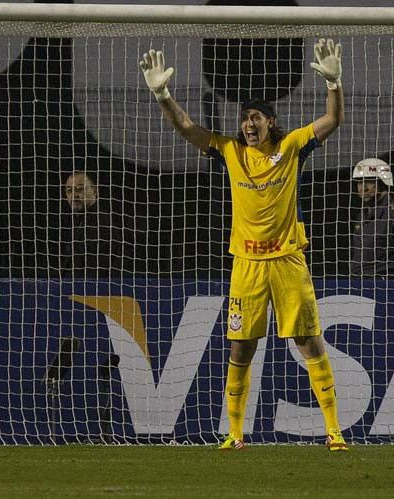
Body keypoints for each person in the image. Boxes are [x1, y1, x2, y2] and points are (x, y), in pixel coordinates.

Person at [139, 39, 348, 451]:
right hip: (247, 265)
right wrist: (163, 95)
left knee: (308, 342)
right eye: (243, 118)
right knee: (241, 347)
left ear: (271, 121)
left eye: (255, 117)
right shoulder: (230, 151)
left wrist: (334, 83)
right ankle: (234, 434)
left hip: (288, 261)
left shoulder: (291, 148)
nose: (247, 123)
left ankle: (334, 430)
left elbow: (331, 120)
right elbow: (187, 128)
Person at [44, 171, 125, 277]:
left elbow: (97, 273)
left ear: (94, 191)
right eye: (69, 191)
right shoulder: (76, 221)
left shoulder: (102, 225)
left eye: (80, 189)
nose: (74, 195)